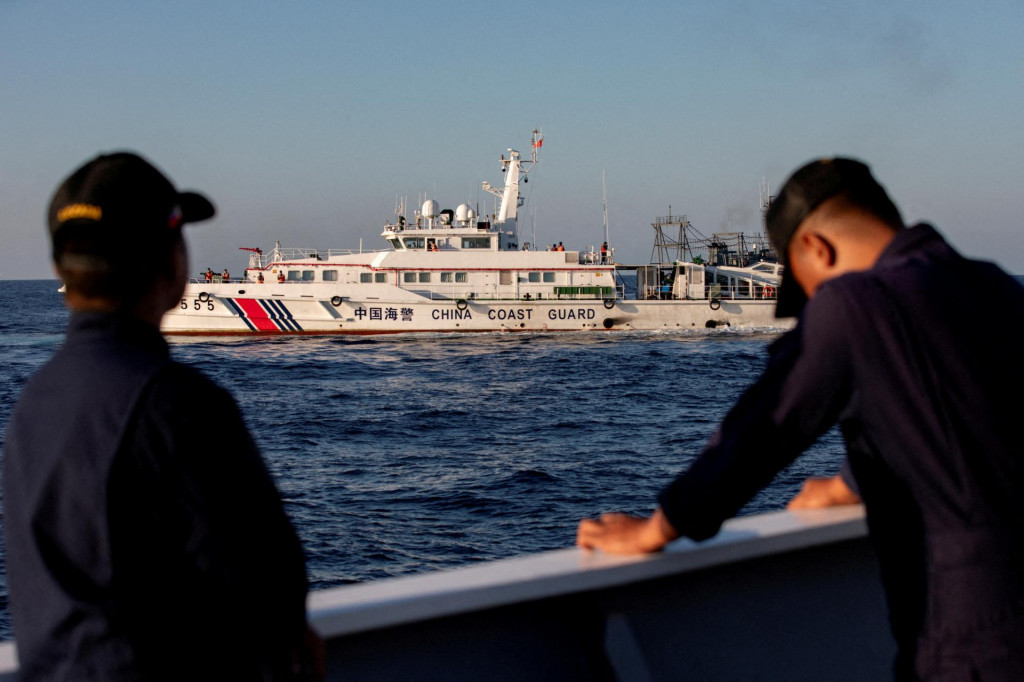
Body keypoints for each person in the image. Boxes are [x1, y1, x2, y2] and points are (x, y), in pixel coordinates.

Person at [577, 158, 1024, 680]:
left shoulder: (856, 301)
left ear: (817, 249)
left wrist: (659, 526)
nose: (812, 299)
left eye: (806, 285)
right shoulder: (993, 284)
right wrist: (852, 483)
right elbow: (958, 409)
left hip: (979, 634)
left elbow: (762, 429)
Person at [3, 152, 323, 681]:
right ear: (173, 265)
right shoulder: (177, 406)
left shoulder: (34, 403)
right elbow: (265, 590)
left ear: (63, 269)